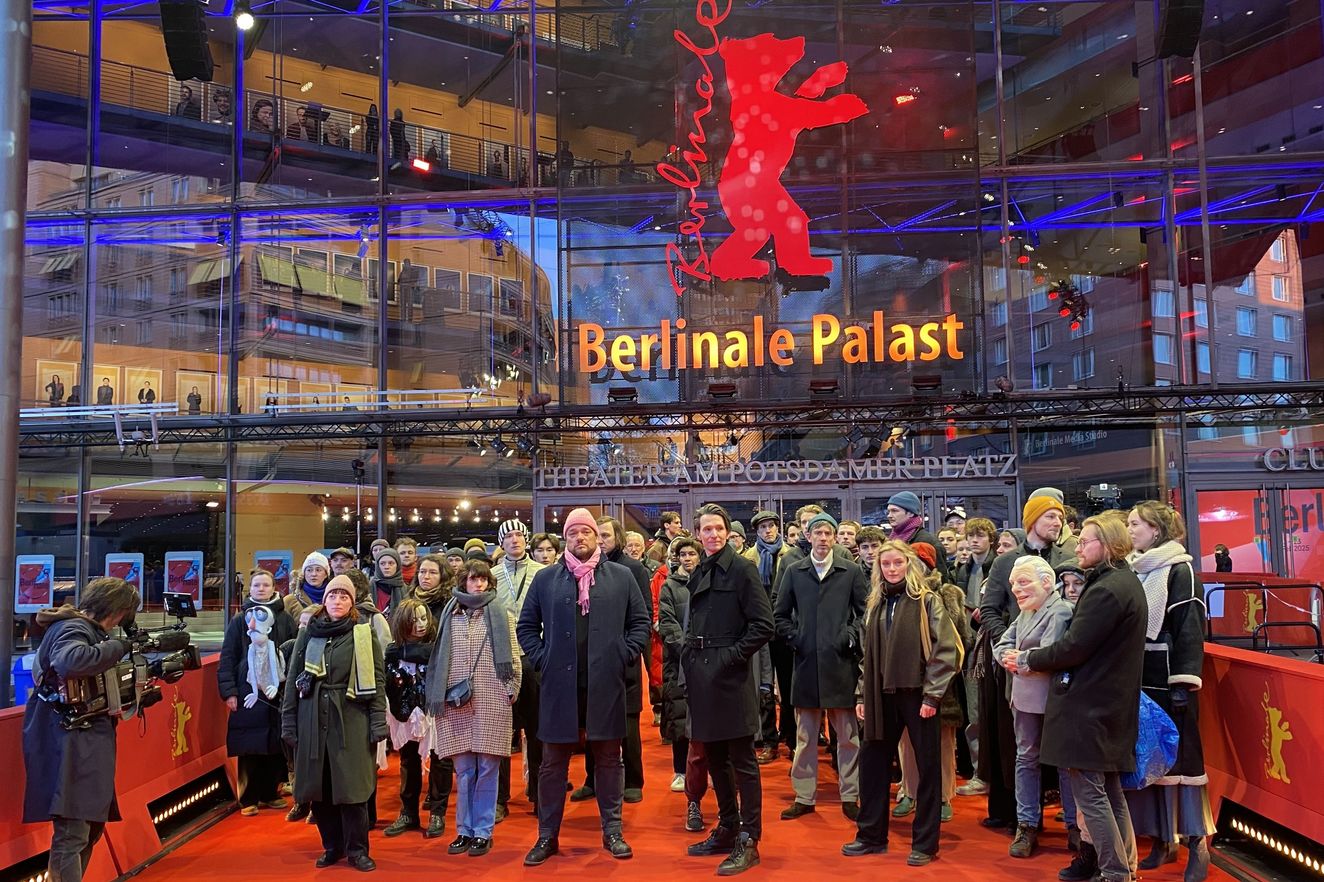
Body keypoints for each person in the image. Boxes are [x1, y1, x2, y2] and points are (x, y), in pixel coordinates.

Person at [1010, 515, 1146, 882]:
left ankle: (1116, 873)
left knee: (1093, 797)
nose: (1079, 547)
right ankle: (1125, 869)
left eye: (1085, 541)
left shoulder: (1107, 589)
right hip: (1106, 705)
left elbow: (1073, 647)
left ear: (1107, 544)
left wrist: (1027, 659)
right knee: (1110, 793)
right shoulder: (1121, 583)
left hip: (1090, 707)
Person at [516, 507, 650, 866]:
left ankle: (613, 831)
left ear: (597, 537)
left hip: (606, 683)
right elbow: (526, 628)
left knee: (609, 759)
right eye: (572, 532)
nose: (580, 538)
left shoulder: (621, 576)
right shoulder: (545, 580)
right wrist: (544, 659)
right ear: (566, 538)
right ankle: (547, 835)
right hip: (559, 686)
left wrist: (622, 654)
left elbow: (640, 624)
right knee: (552, 764)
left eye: (585, 532)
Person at [844, 541, 960, 867]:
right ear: (879, 568)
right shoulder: (876, 604)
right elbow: (868, 657)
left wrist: (932, 695)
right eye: (886, 564)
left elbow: (946, 650)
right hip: (881, 694)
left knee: (927, 770)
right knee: (872, 764)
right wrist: (860, 694)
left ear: (908, 565)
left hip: (918, 694)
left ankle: (925, 843)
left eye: (898, 563)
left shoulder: (927, 601)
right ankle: (870, 836)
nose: (892, 569)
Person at [23, 577, 140, 882]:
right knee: (74, 829)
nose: (120, 623)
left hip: (81, 737)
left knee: (89, 826)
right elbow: (69, 661)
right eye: (123, 615)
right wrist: (120, 646)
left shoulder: (79, 628)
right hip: (68, 739)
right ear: (115, 609)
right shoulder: (72, 628)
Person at [977, 491, 1077, 832]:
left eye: (1060, 517)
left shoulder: (1067, 556)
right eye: (1051, 516)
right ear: (1033, 518)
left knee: (1063, 755)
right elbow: (990, 609)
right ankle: (1024, 820)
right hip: (1017, 674)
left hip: (1060, 674)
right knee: (1021, 751)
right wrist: (1009, 644)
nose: (1058, 522)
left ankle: (1075, 824)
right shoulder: (1006, 561)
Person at [683, 503, 775, 876]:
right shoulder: (700, 568)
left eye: (718, 528)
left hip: (731, 676)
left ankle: (749, 838)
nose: (713, 534)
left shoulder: (742, 568)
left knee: (743, 761)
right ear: (698, 533)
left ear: (728, 531)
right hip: (703, 676)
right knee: (716, 758)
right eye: (706, 529)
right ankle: (726, 826)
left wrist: (731, 657)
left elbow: (763, 625)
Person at [1124, 502, 1213, 882]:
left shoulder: (1181, 570)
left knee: (1185, 766)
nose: (1129, 529)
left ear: (1156, 529)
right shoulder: (1136, 568)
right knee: (1153, 764)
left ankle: (1197, 843)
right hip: (1141, 680)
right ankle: (1163, 840)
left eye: (1135, 524)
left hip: (1172, 683)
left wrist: (1183, 683)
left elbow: (1190, 629)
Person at [281, 576, 386, 872]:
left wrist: (378, 722)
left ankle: (357, 850)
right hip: (311, 716)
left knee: (353, 790)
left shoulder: (363, 634)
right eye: (332, 596)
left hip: (351, 718)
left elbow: (377, 681)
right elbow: (292, 681)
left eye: (343, 596)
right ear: (323, 600)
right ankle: (332, 846)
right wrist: (288, 721)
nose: (337, 601)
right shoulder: (308, 633)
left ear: (352, 602)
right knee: (319, 788)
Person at [774, 511, 866, 822]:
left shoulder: (851, 571)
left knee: (848, 737)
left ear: (835, 537)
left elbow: (864, 613)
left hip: (841, 665)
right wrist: (796, 638)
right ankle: (804, 795)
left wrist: (849, 637)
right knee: (805, 737)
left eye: (829, 533)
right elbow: (780, 613)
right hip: (806, 664)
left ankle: (850, 794)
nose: (824, 538)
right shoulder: (795, 570)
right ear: (809, 536)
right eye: (819, 533)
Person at [426, 561, 522, 857]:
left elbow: (514, 653)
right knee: (465, 770)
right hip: (455, 698)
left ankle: (482, 831)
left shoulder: (501, 614)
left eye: (483, 580)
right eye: (472, 579)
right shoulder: (449, 614)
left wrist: (512, 688)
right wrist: (437, 692)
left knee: (489, 767)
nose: (478, 585)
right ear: (463, 582)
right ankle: (463, 831)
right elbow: (439, 655)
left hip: (492, 694)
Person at [991, 556, 1073, 858]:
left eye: (1022, 582)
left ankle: (1075, 826)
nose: (1016, 590)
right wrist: (1013, 658)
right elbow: (1000, 645)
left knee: (1065, 763)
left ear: (1047, 582)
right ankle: (1026, 824)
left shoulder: (1061, 610)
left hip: (1055, 700)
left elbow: (1052, 655)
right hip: (1024, 698)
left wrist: (1019, 660)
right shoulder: (1026, 612)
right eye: (1013, 584)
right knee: (1026, 759)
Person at [892, 542, 968, 825]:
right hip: (906, 682)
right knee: (907, 744)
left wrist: (939, 670)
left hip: (941, 684)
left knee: (943, 744)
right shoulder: (897, 595)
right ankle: (909, 792)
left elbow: (960, 640)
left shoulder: (946, 595)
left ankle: (944, 796)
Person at [578, 516, 652, 804]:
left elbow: (643, 615)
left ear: (617, 538)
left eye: (606, 535)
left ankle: (634, 780)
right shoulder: (584, 570)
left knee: (628, 725)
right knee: (591, 720)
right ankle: (592, 779)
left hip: (623, 660)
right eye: (599, 535)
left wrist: (628, 650)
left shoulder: (632, 569)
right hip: (592, 661)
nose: (601, 540)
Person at [219, 569, 297, 816]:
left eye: (266, 585)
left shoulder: (284, 619)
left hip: (278, 691)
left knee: (275, 744)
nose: (261, 589)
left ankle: (270, 793)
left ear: (274, 588)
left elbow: (295, 652)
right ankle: (248, 798)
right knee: (249, 745)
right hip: (247, 691)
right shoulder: (239, 620)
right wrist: (229, 692)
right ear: (249, 589)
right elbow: (228, 657)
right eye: (256, 586)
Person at [492, 519, 546, 821]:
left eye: (519, 535)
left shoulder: (543, 573)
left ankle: (538, 794)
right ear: (501, 542)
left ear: (527, 540)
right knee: (501, 733)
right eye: (508, 536)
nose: (514, 540)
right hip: (502, 659)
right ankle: (500, 799)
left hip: (534, 656)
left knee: (538, 731)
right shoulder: (492, 576)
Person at [952, 516, 998, 798]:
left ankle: (992, 773)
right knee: (974, 713)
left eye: (980, 536)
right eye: (971, 536)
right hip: (968, 647)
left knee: (991, 714)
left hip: (993, 645)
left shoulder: (1000, 566)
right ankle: (980, 772)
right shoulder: (963, 570)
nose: (974, 540)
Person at [657, 537, 701, 810]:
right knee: (678, 716)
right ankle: (680, 770)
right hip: (678, 661)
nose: (687, 558)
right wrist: (686, 647)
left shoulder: (707, 581)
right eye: (682, 554)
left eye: (691, 554)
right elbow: (666, 622)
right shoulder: (669, 587)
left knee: (704, 718)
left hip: (706, 660)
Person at [750, 509, 791, 762]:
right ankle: (769, 739)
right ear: (757, 531)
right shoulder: (749, 558)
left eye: (772, 525)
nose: (768, 530)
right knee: (763, 687)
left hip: (784, 630)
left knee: (788, 688)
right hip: (759, 629)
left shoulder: (791, 556)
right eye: (763, 526)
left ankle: (790, 735)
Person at [884, 491, 951, 580]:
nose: (889, 515)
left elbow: (941, 579)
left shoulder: (928, 542)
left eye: (894, 511)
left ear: (911, 513)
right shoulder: (891, 540)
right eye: (888, 511)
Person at [282, 552, 331, 624]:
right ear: (304, 574)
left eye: (318, 570)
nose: (313, 574)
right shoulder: (290, 600)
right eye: (309, 570)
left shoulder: (333, 599)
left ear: (326, 574)